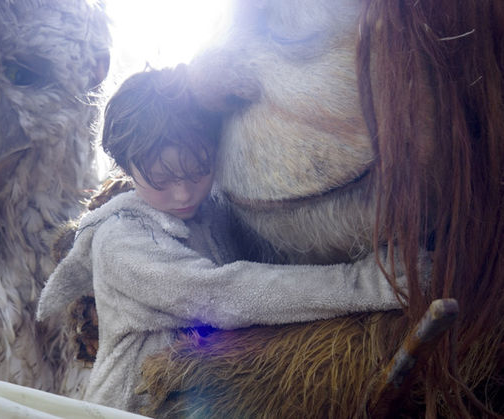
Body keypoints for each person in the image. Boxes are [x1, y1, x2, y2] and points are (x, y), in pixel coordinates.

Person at [36, 65, 424, 413]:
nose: (183, 194)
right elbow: (222, 294)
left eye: (198, 171)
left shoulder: (213, 210)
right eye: (162, 180)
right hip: (133, 408)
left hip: (204, 397)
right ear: (126, 166)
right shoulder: (120, 240)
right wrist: (368, 283)